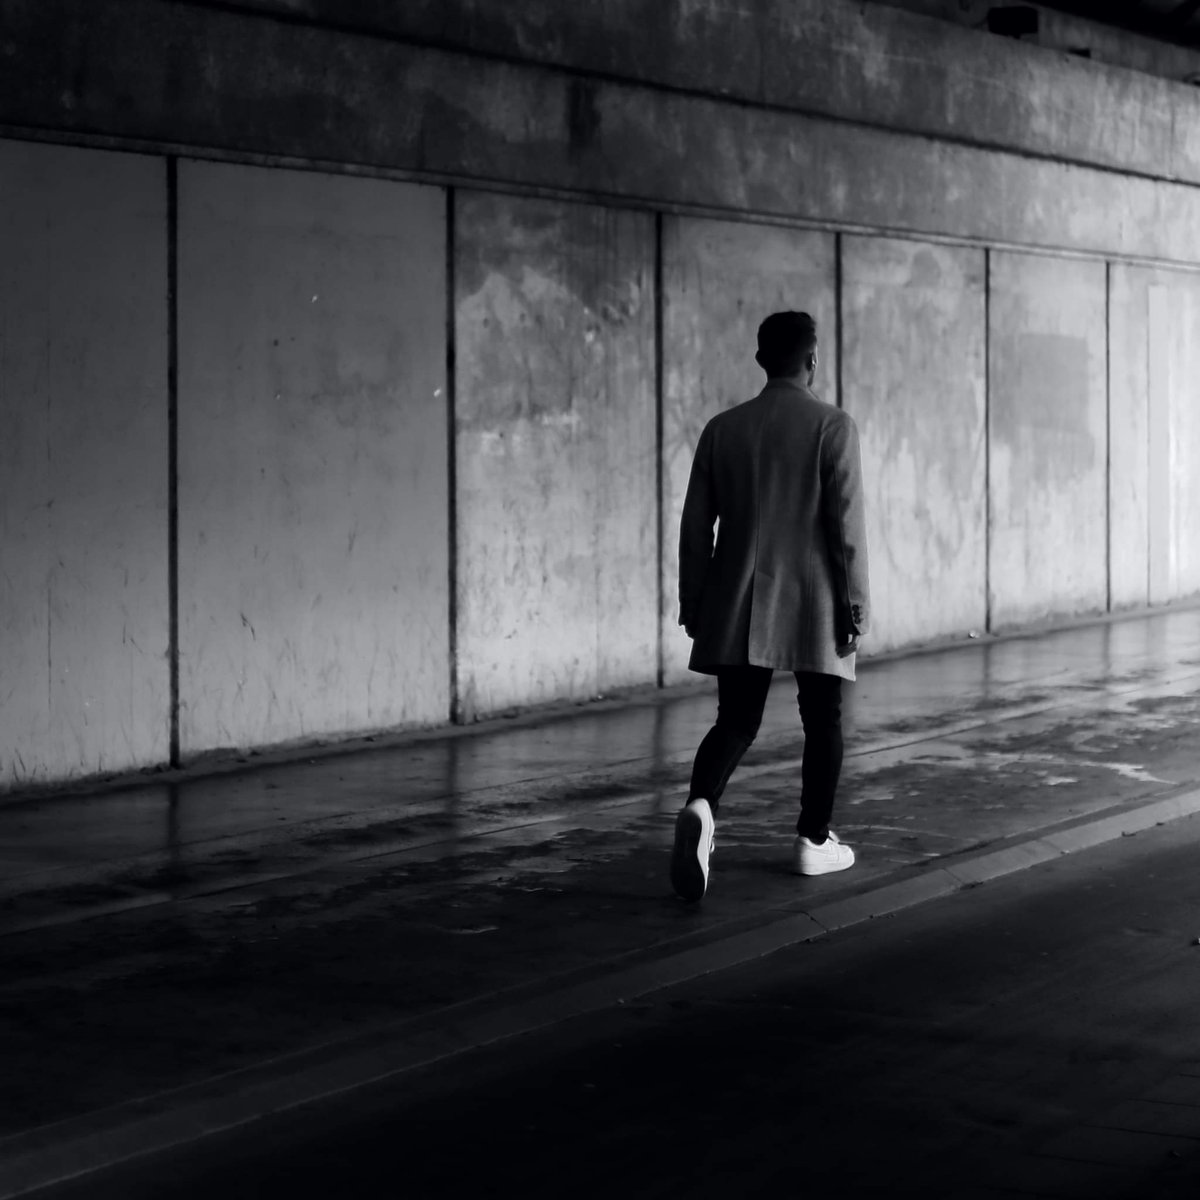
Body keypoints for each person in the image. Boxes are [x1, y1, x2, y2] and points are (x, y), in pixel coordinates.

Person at [670, 310, 870, 903]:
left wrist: (694, 598)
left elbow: (694, 525)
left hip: (739, 598)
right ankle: (813, 839)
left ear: (761, 361)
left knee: (736, 719)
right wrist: (856, 606)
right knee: (823, 717)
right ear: (813, 361)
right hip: (814, 599)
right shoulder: (833, 427)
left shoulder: (723, 429)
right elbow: (846, 528)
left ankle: (701, 808)